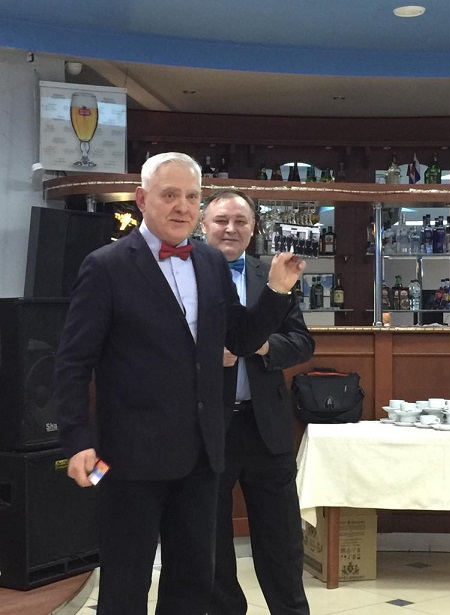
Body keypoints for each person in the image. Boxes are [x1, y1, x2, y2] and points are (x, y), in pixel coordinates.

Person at [53, 153, 305, 615]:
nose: (182, 206)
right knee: (125, 585)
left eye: (191, 196)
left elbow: (239, 339)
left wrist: (276, 291)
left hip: (202, 456)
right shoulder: (106, 265)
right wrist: (77, 440)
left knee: (192, 583)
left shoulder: (209, 261)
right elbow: (73, 361)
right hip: (128, 457)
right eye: (170, 195)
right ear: (142, 199)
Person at [201, 188, 314, 615]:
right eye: (221, 220)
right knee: (211, 541)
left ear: (253, 229)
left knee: (282, 541)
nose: (230, 229)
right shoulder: (182, 274)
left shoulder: (274, 274)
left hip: (266, 427)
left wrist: (261, 345)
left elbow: (302, 342)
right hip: (207, 428)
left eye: (240, 221)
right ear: (203, 225)